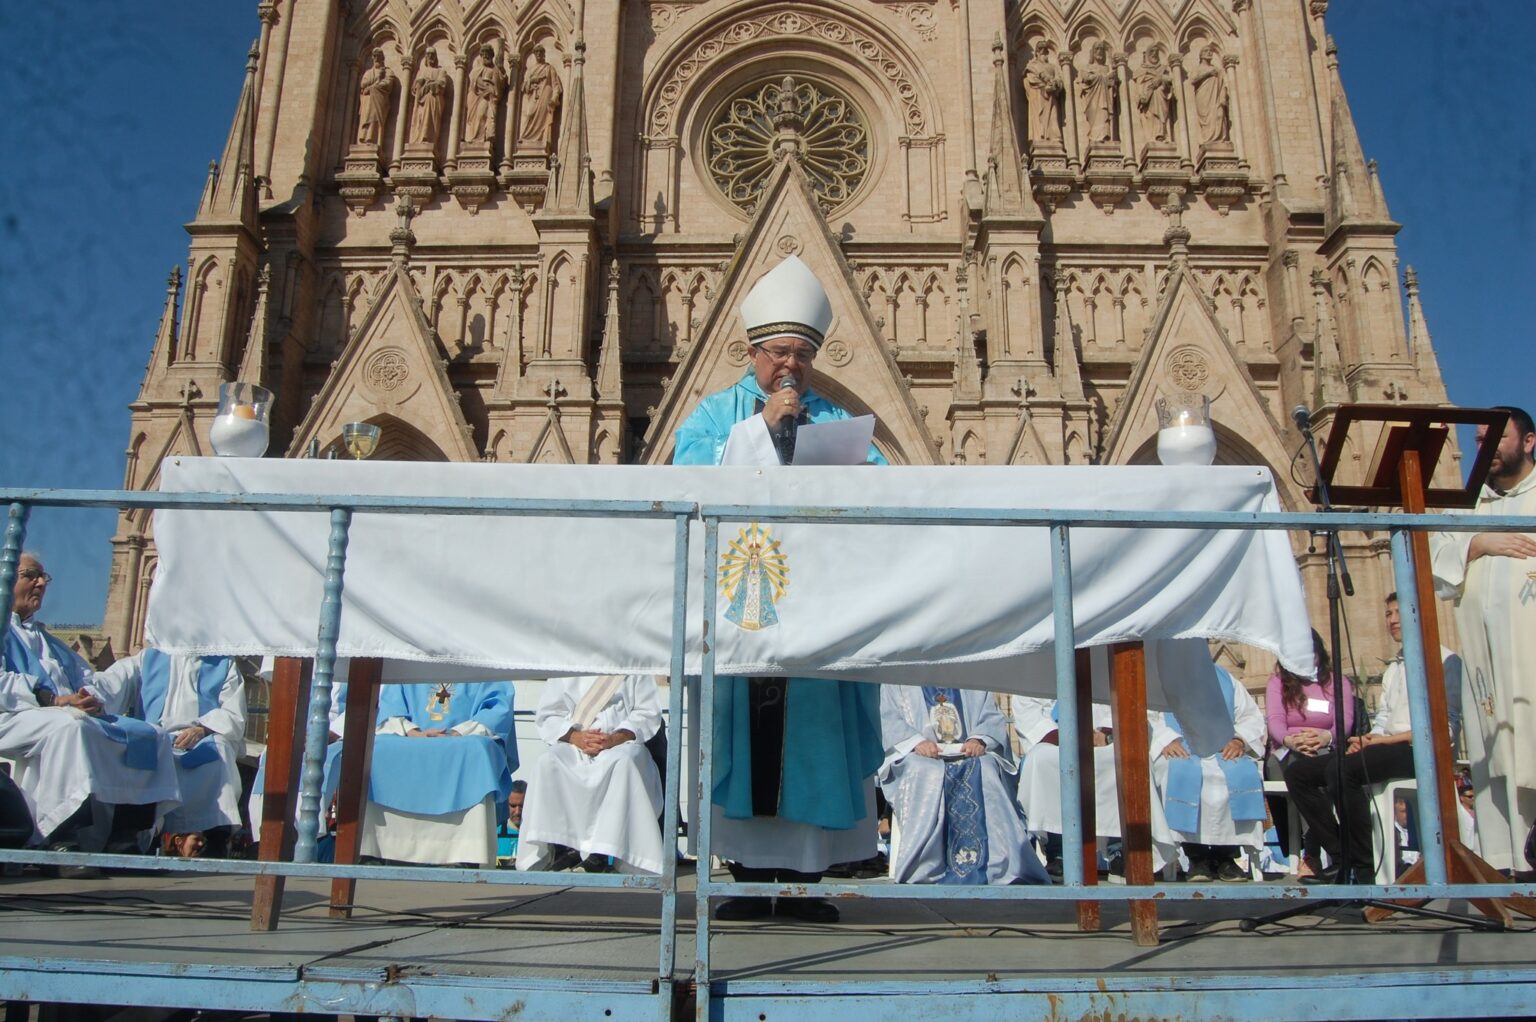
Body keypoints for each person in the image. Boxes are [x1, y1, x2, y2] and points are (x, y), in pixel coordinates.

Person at [673, 255, 885, 922]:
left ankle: (806, 886)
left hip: (815, 607)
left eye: (802, 354)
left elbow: (877, 486)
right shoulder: (717, 416)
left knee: (813, 745)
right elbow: (687, 476)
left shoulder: (836, 418)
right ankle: (745, 880)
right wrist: (759, 432)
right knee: (745, 744)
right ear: (752, 352)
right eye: (779, 353)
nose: (790, 366)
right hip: (747, 605)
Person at [2, 554, 180, 863]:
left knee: (151, 735)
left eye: (44, 577)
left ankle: (124, 839)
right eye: (31, 575)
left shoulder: (50, 641)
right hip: (14, 715)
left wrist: (89, 697)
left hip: (60, 714)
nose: (41, 583)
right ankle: (61, 839)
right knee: (71, 727)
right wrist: (53, 700)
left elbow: (89, 679)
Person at [1431, 406, 1536, 875]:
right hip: (1484, 660)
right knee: (1495, 751)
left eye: (1496, 437)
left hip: (1527, 652)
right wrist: (1478, 543)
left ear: (1529, 442)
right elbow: (1436, 558)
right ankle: (1507, 865)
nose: (1486, 448)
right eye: (1477, 440)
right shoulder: (1470, 505)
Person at [879, 684, 1048, 885]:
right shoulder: (896, 678)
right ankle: (926, 866)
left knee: (986, 768)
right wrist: (915, 742)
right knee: (925, 771)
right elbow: (887, 717)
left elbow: (990, 716)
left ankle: (997, 865)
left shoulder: (967, 674)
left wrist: (979, 739)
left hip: (968, 751)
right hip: (919, 755)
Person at [93, 647, 247, 853]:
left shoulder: (222, 663)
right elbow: (113, 681)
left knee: (219, 750)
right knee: (140, 745)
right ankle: (133, 837)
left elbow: (233, 711)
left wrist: (203, 729)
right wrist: (92, 695)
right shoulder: (148, 658)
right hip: (154, 735)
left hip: (199, 736)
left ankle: (215, 836)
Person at [517, 675, 666, 875]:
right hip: (576, 743)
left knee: (622, 763)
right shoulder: (567, 660)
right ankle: (562, 848)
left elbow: (647, 712)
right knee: (549, 762)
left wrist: (615, 738)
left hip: (621, 743)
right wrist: (576, 737)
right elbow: (549, 714)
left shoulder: (632, 660)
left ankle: (600, 854)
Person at [360, 681, 517, 866]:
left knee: (478, 749)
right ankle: (377, 850)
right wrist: (413, 732)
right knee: (378, 748)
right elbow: (389, 707)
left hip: (465, 739)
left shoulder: (488, 663)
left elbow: (497, 709)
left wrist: (457, 734)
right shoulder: (412, 661)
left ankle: (465, 853)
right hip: (411, 738)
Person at [1014, 697, 1176, 876]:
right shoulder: (1038, 669)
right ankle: (1059, 852)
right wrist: (1069, 735)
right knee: (1040, 759)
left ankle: (1118, 849)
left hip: (1104, 741)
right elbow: (1028, 710)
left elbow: (1124, 703)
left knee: (1126, 761)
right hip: (1056, 742)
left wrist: (1106, 734)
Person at [1150, 666, 1265, 882]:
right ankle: (1196, 858)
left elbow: (1250, 717)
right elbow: (1150, 715)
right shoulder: (1162, 676)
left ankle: (1227, 858)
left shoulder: (1226, 680)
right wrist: (1166, 739)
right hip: (1183, 750)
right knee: (1177, 773)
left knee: (1241, 773)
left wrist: (1240, 740)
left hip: (1223, 750)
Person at [1265, 629, 1354, 876]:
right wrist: (1292, 741)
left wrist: (1325, 736)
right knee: (1302, 769)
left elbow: (1344, 721)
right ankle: (1327, 852)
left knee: (1319, 772)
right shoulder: (1277, 682)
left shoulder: (1337, 682)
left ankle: (1313, 853)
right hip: (1286, 750)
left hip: (1326, 746)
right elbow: (1275, 721)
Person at [516, 46, 563, 152]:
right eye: (536, 52)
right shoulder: (531, 70)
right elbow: (523, 86)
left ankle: (542, 140)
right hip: (534, 97)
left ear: (543, 54)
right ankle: (527, 138)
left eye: (540, 52)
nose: (538, 54)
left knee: (543, 118)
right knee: (530, 114)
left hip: (546, 96)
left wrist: (554, 98)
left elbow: (556, 86)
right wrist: (531, 81)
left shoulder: (549, 68)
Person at [463, 44, 506, 145]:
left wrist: (502, 73)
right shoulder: (476, 70)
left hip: (490, 99)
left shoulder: (495, 70)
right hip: (479, 97)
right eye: (484, 54)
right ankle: (477, 138)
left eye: (488, 54)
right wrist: (486, 87)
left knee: (486, 116)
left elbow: (501, 85)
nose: (486, 56)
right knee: (480, 115)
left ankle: (485, 138)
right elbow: (474, 82)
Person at [1023, 40, 1064, 143]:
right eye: (1042, 51)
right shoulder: (1032, 66)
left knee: (1053, 119)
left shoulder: (1053, 67)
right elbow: (1029, 80)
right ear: (1037, 52)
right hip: (1039, 96)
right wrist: (1044, 87)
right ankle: (1040, 137)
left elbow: (1059, 80)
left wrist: (1055, 84)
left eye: (1046, 51)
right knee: (1039, 119)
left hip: (1051, 97)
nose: (1044, 54)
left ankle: (1053, 138)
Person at [1189, 44, 1230, 147]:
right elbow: (1193, 80)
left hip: (1215, 98)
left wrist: (1223, 98)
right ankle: (1207, 140)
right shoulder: (1198, 68)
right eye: (1206, 51)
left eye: (1211, 51)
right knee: (1206, 118)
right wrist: (1208, 74)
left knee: (1219, 115)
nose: (1209, 53)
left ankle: (1219, 139)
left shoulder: (1217, 70)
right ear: (1201, 55)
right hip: (1203, 97)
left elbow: (1222, 86)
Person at [1133, 44, 1174, 143]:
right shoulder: (1141, 70)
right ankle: (1153, 136)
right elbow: (1140, 85)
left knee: (1159, 94)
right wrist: (1143, 94)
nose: (1154, 54)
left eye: (1156, 52)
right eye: (1151, 51)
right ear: (1146, 55)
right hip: (1149, 100)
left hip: (1161, 97)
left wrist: (1161, 79)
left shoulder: (1163, 69)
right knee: (1151, 116)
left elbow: (1169, 81)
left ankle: (1161, 134)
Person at [408, 49, 449, 147]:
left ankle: (428, 137)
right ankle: (419, 137)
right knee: (421, 118)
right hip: (421, 101)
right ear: (425, 57)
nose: (430, 56)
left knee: (430, 107)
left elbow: (442, 83)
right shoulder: (421, 71)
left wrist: (429, 85)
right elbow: (414, 89)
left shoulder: (441, 71)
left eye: (432, 54)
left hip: (433, 98)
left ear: (436, 57)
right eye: (428, 54)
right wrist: (419, 84)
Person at [1078, 41, 1117, 144]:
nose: (1099, 51)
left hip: (1104, 99)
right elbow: (1085, 78)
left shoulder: (1106, 68)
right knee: (1095, 117)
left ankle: (1104, 137)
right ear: (1093, 52)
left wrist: (1113, 81)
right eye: (1097, 49)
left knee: (1104, 116)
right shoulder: (1087, 68)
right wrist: (1104, 77)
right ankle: (1095, 137)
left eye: (1102, 49)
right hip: (1093, 99)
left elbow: (1112, 86)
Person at [356, 47, 395, 146]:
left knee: (374, 118)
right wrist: (376, 80)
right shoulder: (368, 72)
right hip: (368, 101)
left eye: (378, 55)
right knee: (365, 118)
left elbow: (388, 83)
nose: (375, 58)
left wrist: (375, 86)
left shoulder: (388, 72)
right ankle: (364, 137)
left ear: (382, 57)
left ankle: (372, 138)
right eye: (374, 56)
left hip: (379, 100)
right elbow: (363, 84)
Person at [497, 779, 526, 865]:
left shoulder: (539, 838)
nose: (518, 812)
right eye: (513, 806)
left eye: (522, 806)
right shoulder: (494, 836)